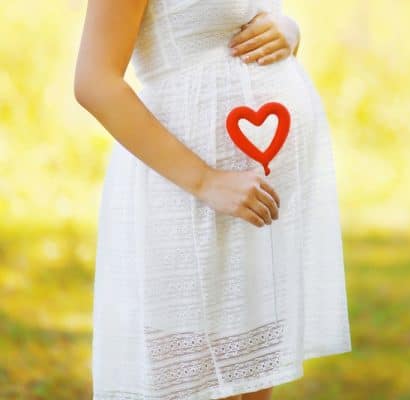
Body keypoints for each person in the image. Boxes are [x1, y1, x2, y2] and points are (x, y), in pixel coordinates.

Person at [74, 1, 352, 399]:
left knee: (249, 379)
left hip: (259, 202)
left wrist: (288, 31)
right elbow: (93, 81)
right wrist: (206, 181)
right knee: (198, 383)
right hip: (187, 193)